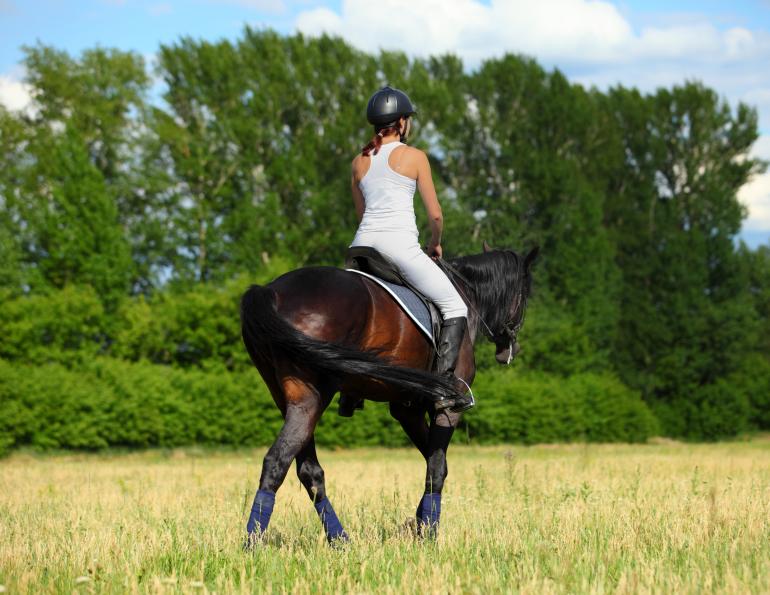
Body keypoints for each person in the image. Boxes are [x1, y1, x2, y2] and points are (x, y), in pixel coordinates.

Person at [350, 86, 473, 413]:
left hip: (361, 249)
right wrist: (435, 242)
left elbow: (361, 214)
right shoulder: (415, 157)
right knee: (454, 307)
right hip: (399, 246)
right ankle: (444, 388)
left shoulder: (358, 162)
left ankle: (351, 390)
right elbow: (435, 214)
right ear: (401, 122)